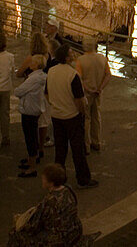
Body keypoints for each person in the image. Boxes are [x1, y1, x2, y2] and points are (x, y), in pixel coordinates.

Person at [46, 45, 98, 189]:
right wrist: (82, 112)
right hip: (71, 116)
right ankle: (83, 179)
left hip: (56, 115)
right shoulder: (72, 74)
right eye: (71, 53)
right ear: (67, 57)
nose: (74, 54)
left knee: (60, 150)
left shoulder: (51, 71)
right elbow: (79, 99)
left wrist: (54, 103)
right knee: (78, 150)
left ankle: (57, 181)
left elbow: (46, 93)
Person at [6, 164, 85, 247]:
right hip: (74, 231)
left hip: (61, 239)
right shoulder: (68, 190)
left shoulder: (49, 201)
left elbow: (34, 226)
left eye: (44, 179)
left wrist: (19, 223)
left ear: (51, 183)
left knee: (15, 234)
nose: (42, 181)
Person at [75, 38, 110, 153]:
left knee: (86, 118)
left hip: (86, 93)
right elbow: (108, 75)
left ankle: (86, 145)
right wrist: (100, 88)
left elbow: (79, 78)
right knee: (96, 117)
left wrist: (88, 88)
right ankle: (97, 141)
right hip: (98, 93)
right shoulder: (102, 59)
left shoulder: (80, 60)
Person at [14, 55, 47, 178]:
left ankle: (32, 166)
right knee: (32, 135)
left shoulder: (34, 79)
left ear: (36, 65)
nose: (29, 64)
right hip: (35, 108)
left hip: (29, 110)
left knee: (30, 137)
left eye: (32, 62)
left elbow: (18, 91)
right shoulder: (40, 77)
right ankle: (31, 159)